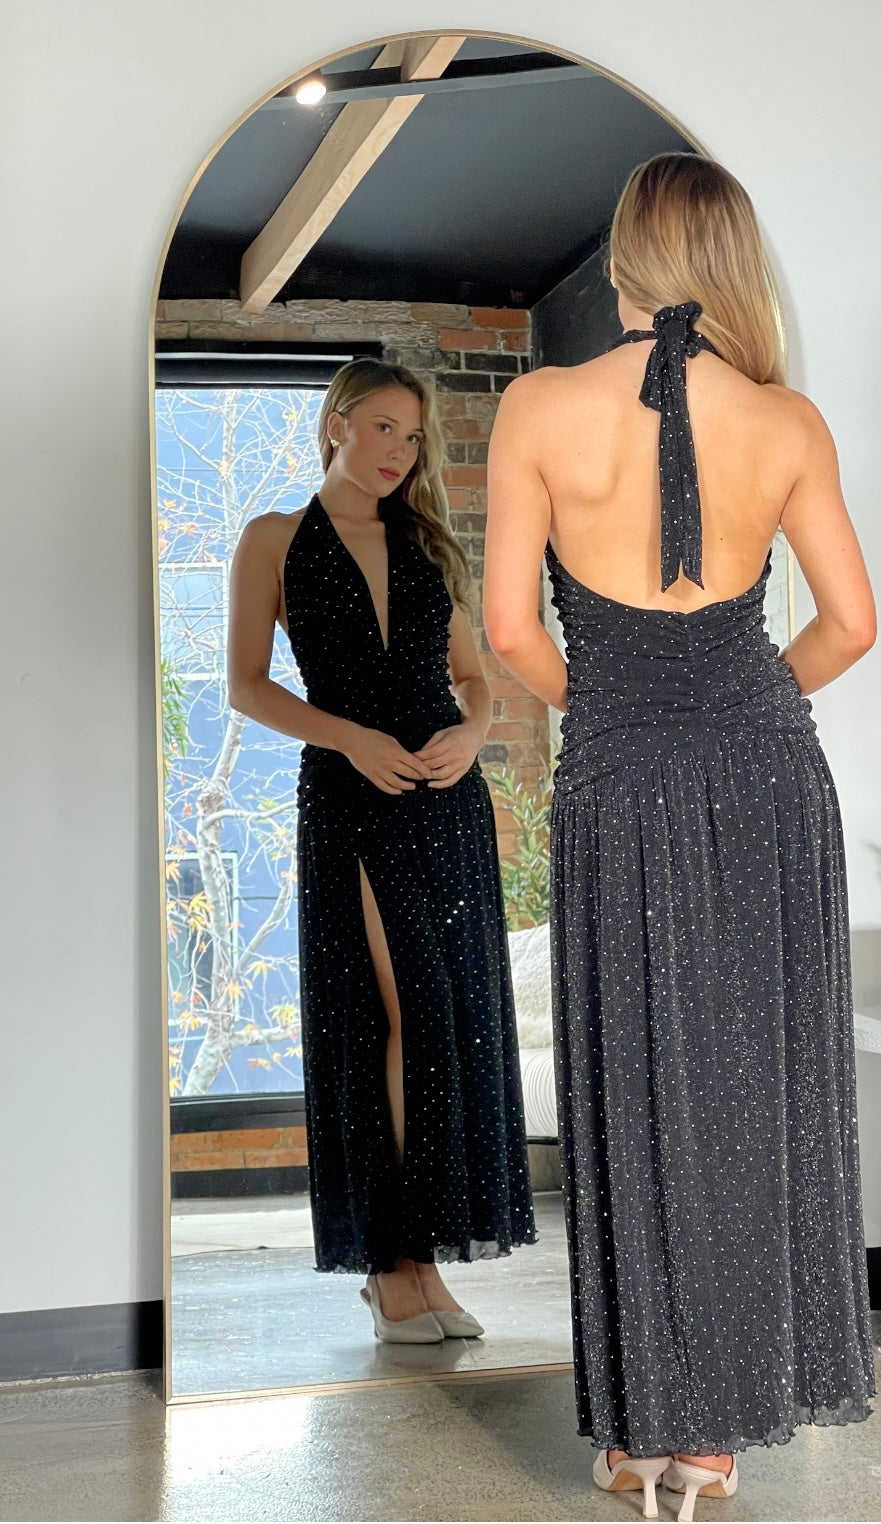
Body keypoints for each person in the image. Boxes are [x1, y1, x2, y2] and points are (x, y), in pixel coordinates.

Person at [484, 153, 877, 1519]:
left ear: (622, 262)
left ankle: (644, 1433)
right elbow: (849, 626)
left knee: (636, 1090)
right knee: (755, 1094)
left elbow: (511, 632)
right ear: (733, 263)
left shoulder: (537, 408)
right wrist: (743, 706)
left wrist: (620, 713)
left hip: (618, 773)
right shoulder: (786, 420)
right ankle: (716, 1442)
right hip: (768, 779)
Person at [228, 358, 536, 1344]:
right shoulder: (273, 540)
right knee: (401, 1012)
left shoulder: (427, 543)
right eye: (383, 428)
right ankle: (390, 1265)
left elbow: (471, 678)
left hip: (444, 797)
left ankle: (422, 1264)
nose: (400, 450)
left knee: (446, 1024)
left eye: (413, 436)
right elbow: (245, 685)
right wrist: (350, 739)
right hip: (353, 794)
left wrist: (473, 734)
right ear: (338, 423)